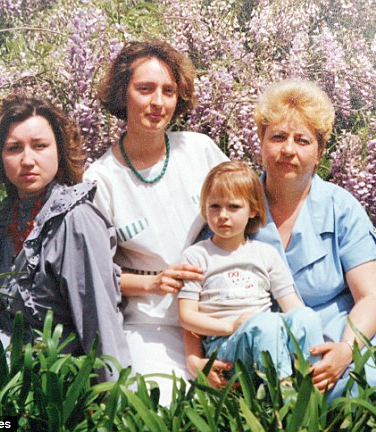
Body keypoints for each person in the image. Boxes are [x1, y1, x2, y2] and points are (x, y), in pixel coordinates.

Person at [0, 95, 130, 382]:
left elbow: (99, 319)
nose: (27, 160)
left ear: (59, 151)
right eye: (14, 148)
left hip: (54, 374)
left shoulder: (75, 218)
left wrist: (111, 399)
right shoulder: (8, 217)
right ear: (0, 157)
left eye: (40, 146)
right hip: (9, 357)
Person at [83, 40, 228, 404]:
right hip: (153, 324)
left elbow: (248, 213)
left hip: (218, 311)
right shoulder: (101, 178)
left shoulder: (199, 150)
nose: (157, 103)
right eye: (144, 89)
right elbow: (98, 275)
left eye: (168, 91)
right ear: (122, 94)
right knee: (163, 408)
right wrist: (155, 283)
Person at [250, 79, 376, 399]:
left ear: (319, 152)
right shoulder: (237, 203)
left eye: (302, 140)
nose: (288, 150)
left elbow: (370, 296)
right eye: (278, 137)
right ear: (261, 142)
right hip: (270, 336)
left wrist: (346, 350)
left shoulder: (340, 206)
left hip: (346, 326)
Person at [178, 161, 323, 380]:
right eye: (215, 206)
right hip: (226, 346)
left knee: (306, 316)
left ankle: (313, 380)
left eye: (233, 207)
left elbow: (292, 305)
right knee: (265, 323)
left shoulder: (265, 254)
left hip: (268, 336)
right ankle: (279, 394)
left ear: (253, 209)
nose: (223, 215)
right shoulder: (196, 256)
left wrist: (300, 324)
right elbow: (187, 316)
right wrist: (230, 326)